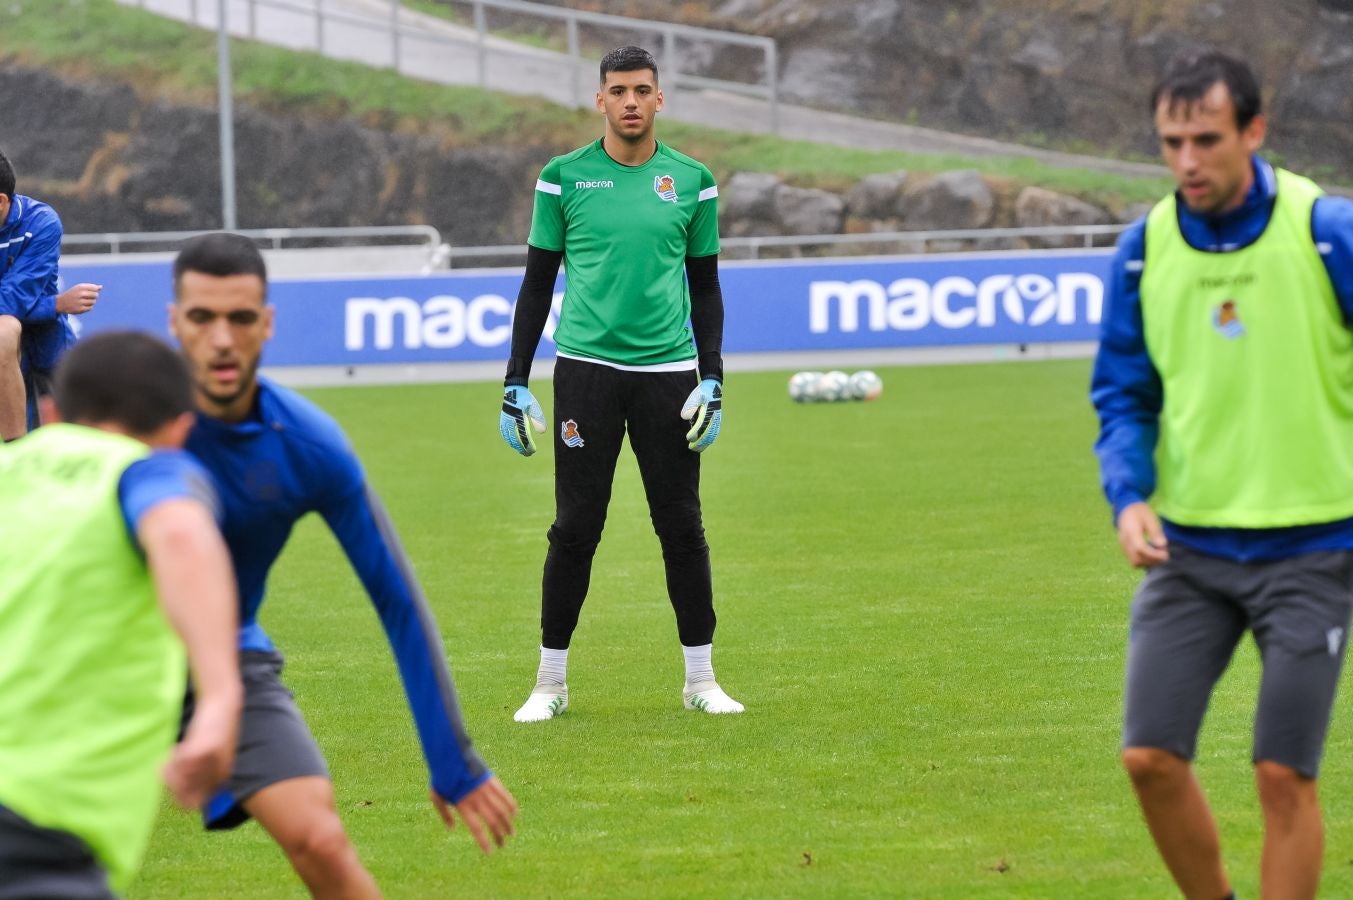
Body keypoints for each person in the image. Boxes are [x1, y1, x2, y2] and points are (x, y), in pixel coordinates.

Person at [169, 232, 517, 897]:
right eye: (201, 317)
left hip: (228, 656)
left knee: (322, 839)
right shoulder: (126, 419)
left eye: (240, 318)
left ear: (267, 323)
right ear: (173, 321)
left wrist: (454, 760)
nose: (221, 339)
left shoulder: (308, 444)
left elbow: (396, 599)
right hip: (101, 662)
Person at [1092, 47, 1353, 900]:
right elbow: (1123, 396)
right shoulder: (1141, 251)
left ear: (1254, 130)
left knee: (1283, 776)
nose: (1185, 162)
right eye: (1169, 142)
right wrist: (1128, 497)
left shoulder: (1326, 232)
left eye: (1204, 139)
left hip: (1313, 550)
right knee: (1147, 758)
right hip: (1190, 552)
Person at [499, 45, 743, 723]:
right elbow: (536, 282)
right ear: (599, 100)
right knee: (576, 527)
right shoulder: (563, 178)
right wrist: (514, 380)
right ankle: (550, 684)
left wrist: (713, 376)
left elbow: (706, 286)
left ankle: (701, 681)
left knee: (682, 527)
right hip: (586, 374)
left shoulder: (692, 181)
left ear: (659, 99)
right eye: (618, 90)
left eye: (642, 90)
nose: (630, 101)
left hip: (668, 375)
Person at [0, 330, 242, 898]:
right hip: (36, 831)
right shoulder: (147, 470)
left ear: (54, 412)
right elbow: (180, 531)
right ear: (183, 427)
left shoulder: (10, 468)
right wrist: (221, 700)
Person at [0, 148, 103, 438]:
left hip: (47, 345)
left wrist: (52, 308)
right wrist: (57, 303)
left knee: (82, 436)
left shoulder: (41, 223)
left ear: (1, 202)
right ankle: (15, 452)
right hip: (15, 341)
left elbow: (12, 299)